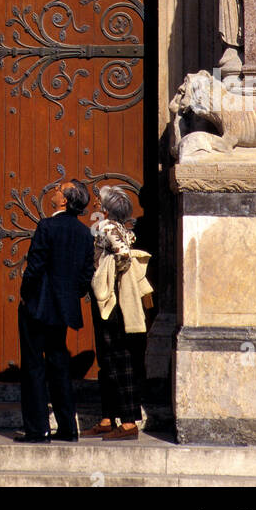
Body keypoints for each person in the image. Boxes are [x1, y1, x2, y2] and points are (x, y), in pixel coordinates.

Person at [16, 178, 95, 443]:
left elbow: (35, 266)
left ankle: (38, 430)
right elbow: (86, 274)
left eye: (59, 188)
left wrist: (26, 295)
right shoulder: (85, 233)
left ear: (64, 200)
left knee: (34, 366)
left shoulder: (47, 226)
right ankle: (68, 428)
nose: (54, 189)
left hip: (37, 307)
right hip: (62, 310)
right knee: (59, 366)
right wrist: (72, 296)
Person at [85, 185, 153, 440]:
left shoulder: (106, 227)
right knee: (111, 357)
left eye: (99, 201)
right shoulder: (124, 229)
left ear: (106, 208)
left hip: (111, 301)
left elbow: (122, 254)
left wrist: (112, 278)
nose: (95, 205)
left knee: (115, 358)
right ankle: (107, 417)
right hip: (119, 301)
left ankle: (126, 422)